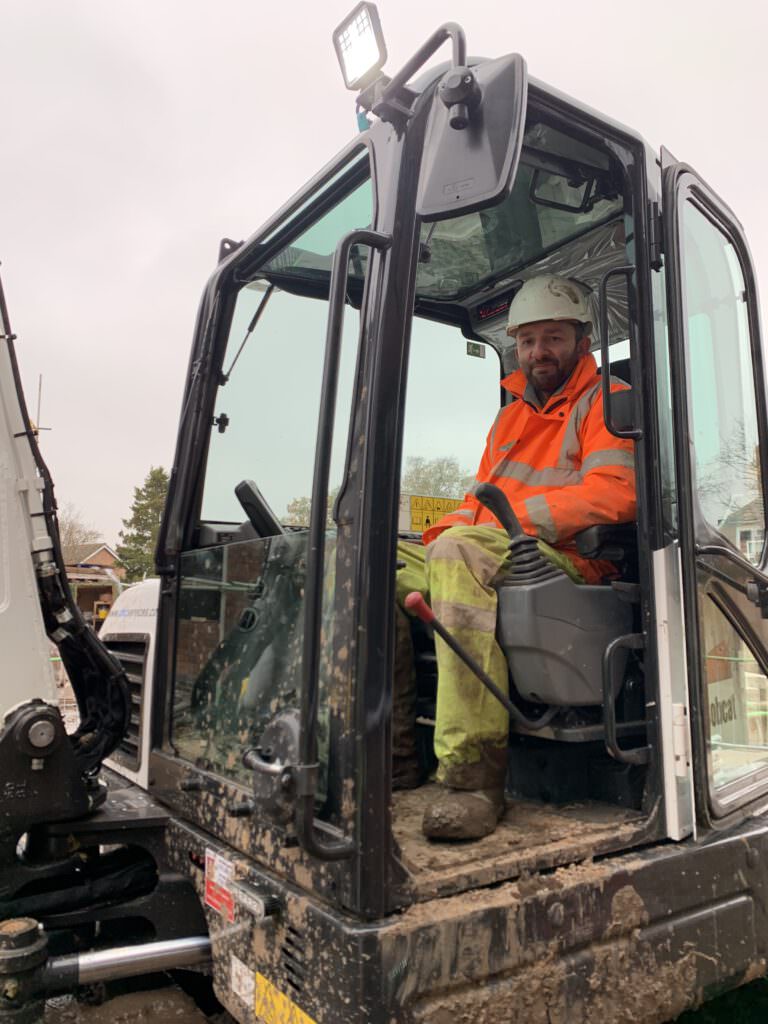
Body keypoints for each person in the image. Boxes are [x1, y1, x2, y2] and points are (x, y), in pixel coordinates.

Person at [395, 274, 637, 841]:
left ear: (582, 338)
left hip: (570, 558)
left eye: (552, 337)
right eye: (527, 341)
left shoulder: (606, 401)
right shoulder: (509, 418)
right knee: (369, 566)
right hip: (497, 544)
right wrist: (434, 537)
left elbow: (615, 492)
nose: (538, 352)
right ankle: (395, 755)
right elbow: (477, 501)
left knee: (457, 552)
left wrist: (511, 522)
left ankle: (474, 777)